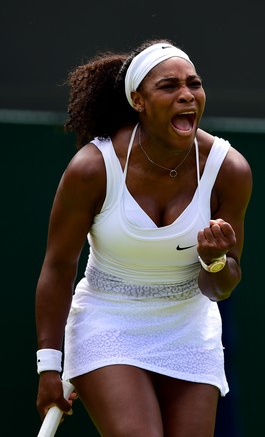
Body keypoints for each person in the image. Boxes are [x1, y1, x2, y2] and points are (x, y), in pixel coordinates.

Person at [35, 38, 252, 437]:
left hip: (189, 327)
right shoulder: (92, 167)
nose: (187, 94)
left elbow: (220, 287)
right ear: (138, 100)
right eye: (169, 87)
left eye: (194, 84)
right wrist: (48, 365)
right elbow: (58, 266)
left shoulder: (229, 169)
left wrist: (215, 260)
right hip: (108, 321)